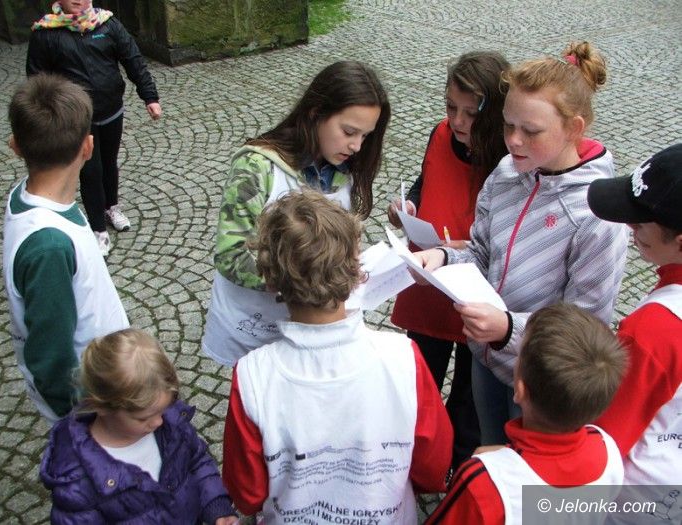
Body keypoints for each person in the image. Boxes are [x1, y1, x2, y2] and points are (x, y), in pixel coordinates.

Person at [413, 42, 628, 445]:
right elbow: (481, 251)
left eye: (531, 131)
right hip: (487, 359)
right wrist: (441, 257)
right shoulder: (507, 172)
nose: (513, 141)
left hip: (539, 383)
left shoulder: (596, 215)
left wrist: (508, 329)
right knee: (488, 445)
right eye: (508, 125)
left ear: (574, 128)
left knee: (524, 470)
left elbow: (586, 324)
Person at [222, 191, 452, 523]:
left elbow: (247, 493)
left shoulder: (252, 376)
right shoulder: (403, 358)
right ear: (357, 270)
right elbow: (433, 467)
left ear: (271, 280)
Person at [202, 60, 390, 366]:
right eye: (349, 131)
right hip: (253, 327)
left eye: (366, 136)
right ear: (316, 114)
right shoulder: (257, 167)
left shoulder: (343, 170)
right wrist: (305, 282)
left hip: (311, 331)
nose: (357, 146)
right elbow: (230, 254)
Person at [387, 51, 509, 470]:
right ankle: (416, 465)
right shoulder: (441, 134)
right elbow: (425, 181)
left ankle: (460, 472)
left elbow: (504, 233)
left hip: (474, 293)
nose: (457, 121)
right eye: (450, 107)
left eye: (470, 113)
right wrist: (408, 206)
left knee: (469, 400)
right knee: (418, 385)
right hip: (428, 286)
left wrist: (461, 246)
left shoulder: (506, 160)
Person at [427, 303, 626, 525]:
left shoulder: (484, 482)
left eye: (519, 354)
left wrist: (492, 466)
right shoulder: (608, 450)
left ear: (519, 390)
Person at [2, 73, 129, 421]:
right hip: (91, 404)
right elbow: (50, 358)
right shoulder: (49, 246)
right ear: (88, 147)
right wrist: (78, 417)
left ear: (15, 145)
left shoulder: (26, 197)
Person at [40, 328, 238, 523]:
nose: (158, 421)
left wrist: (216, 506)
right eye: (143, 418)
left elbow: (197, 460)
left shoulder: (171, 423)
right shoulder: (77, 482)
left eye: (162, 410)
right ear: (101, 407)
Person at [588, 144, 682, 523]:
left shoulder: (653, 330)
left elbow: (604, 443)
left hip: (635, 501)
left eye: (641, 223)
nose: (630, 227)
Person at [27, 0, 162, 257]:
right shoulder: (46, 33)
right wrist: (46, 118)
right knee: (90, 170)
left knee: (109, 163)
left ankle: (111, 207)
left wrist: (150, 97)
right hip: (76, 119)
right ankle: (98, 228)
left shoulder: (107, 24)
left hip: (111, 110)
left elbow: (133, 60)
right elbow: (36, 81)